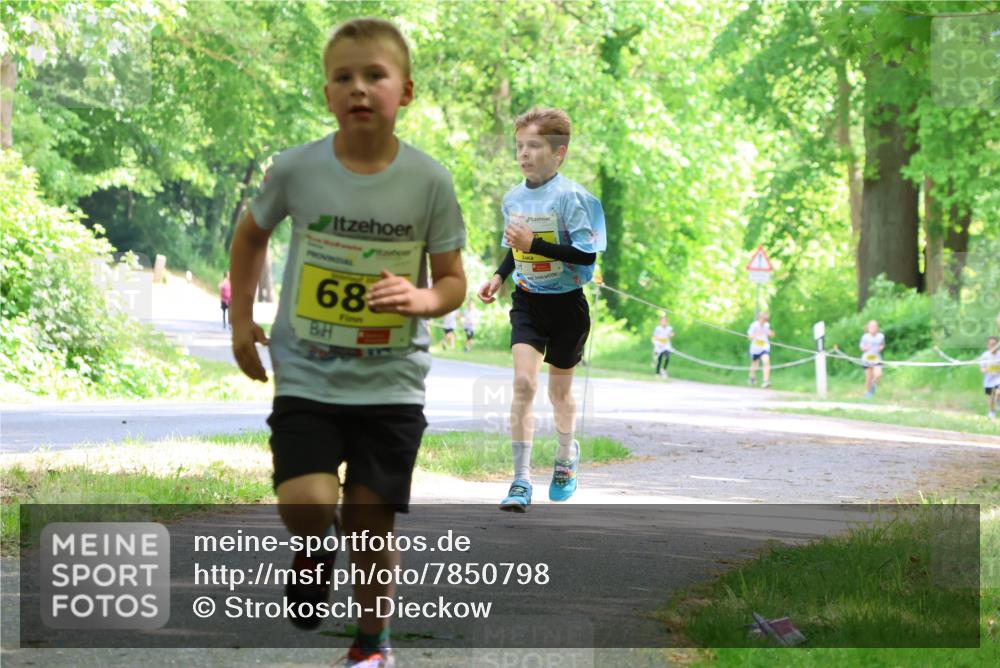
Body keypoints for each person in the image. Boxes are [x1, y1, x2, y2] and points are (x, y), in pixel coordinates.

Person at [229, 18, 466, 668]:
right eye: (344, 77)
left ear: (405, 91)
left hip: (392, 382)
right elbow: (250, 236)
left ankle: (371, 644)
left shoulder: (430, 181)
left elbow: (452, 280)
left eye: (374, 75)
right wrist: (241, 321)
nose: (359, 88)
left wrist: (421, 300)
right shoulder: (297, 169)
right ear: (327, 94)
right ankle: (313, 545)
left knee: (370, 520)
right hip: (307, 374)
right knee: (306, 503)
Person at [477, 107, 606, 513]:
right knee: (523, 384)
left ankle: (566, 455)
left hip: (567, 305)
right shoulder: (513, 198)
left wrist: (536, 245)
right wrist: (499, 276)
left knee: (558, 393)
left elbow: (585, 255)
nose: (524, 154)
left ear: (558, 153)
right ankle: (520, 480)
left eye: (534, 146)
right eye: (519, 146)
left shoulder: (570, 198)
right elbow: (515, 246)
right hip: (528, 301)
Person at [747, 312, 774, 388]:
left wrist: (770, 333)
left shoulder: (767, 325)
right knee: (755, 364)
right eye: (764, 319)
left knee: (766, 361)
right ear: (760, 318)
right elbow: (749, 337)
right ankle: (752, 377)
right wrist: (756, 334)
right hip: (755, 347)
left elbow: (772, 334)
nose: (765, 321)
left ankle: (766, 381)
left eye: (766, 319)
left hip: (764, 347)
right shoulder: (754, 325)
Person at [859, 319, 885, 398]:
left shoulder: (881, 336)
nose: (873, 328)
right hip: (867, 357)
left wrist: (881, 348)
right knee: (868, 377)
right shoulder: (865, 337)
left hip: (876, 357)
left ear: (877, 328)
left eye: (875, 326)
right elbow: (861, 347)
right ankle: (868, 393)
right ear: (868, 328)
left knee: (879, 374)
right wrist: (866, 348)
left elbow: (882, 344)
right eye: (871, 326)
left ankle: (873, 386)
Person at [979, 335, 1000, 419]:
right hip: (989, 380)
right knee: (991, 396)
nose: (992, 346)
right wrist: (988, 369)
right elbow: (982, 369)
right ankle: (991, 412)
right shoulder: (984, 356)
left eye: (994, 344)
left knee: (998, 392)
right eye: (990, 344)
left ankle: (998, 402)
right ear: (988, 345)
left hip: (999, 378)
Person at [651, 315, 673, 379]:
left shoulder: (669, 328)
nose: (664, 322)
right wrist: (656, 342)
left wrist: (670, 335)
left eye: (665, 321)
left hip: (666, 346)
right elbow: (654, 337)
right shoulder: (657, 328)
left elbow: (671, 334)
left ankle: (664, 370)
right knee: (659, 359)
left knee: (667, 357)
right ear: (660, 322)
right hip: (659, 346)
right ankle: (657, 373)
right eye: (662, 321)